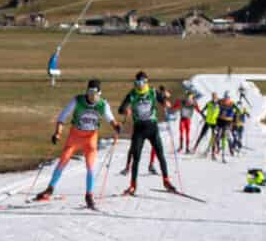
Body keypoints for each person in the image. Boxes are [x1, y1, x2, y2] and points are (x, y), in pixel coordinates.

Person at [36, 80, 115, 209]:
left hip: (90, 139)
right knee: (63, 161)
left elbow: (109, 117)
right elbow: (63, 116)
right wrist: (57, 133)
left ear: (99, 94)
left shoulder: (102, 104)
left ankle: (89, 195)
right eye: (89, 92)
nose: (91, 95)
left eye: (94, 93)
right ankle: (50, 189)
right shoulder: (77, 101)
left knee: (90, 167)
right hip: (75, 137)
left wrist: (116, 126)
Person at [117, 71, 176, 196]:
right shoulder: (132, 94)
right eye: (137, 82)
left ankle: (166, 181)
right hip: (139, 129)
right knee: (136, 157)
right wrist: (125, 110)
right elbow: (121, 109)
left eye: (142, 82)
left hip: (152, 127)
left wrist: (166, 103)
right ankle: (133, 186)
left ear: (146, 82)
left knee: (160, 155)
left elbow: (163, 101)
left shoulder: (152, 92)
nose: (139, 85)